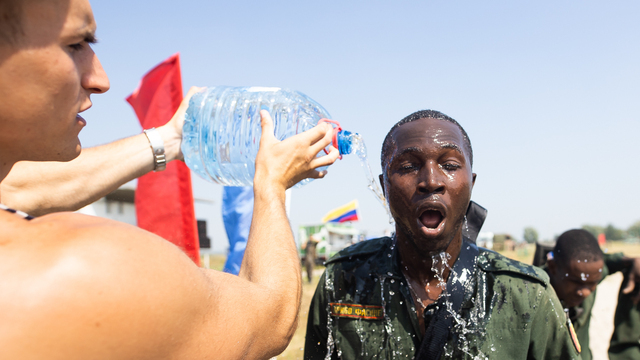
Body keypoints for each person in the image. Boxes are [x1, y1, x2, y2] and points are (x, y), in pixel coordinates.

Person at [0, 1, 339, 359]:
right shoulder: (83, 271)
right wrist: (271, 186)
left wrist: (170, 139)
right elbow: (268, 319)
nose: (100, 80)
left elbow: (18, 187)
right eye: (75, 45)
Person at [304, 110, 581, 359]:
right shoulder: (342, 282)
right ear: (384, 188)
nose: (431, 181)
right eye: (408, 166)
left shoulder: (527, 295)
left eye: (449, 165)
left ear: (471, 184)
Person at [542, 229, 640, 360]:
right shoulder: (532, 292)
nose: (584, 292)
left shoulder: (590, 273)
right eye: (576, 282)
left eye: (593, 283)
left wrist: (635, 262)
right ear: (553, 267)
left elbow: (609, 262)